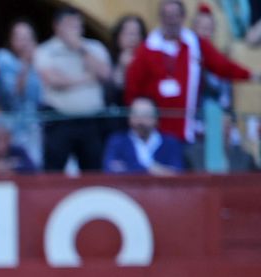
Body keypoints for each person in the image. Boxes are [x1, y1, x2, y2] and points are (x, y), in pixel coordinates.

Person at [125, 0, 257, 146]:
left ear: (182, 17)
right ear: (160, 18)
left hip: (187, 130)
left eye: (175, 15)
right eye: (166, 15)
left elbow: (222, 66)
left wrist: (250, 75)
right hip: (154, 134)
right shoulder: (146, 48)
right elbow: (132, 88)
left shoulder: (195, 43)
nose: (171, 20)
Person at [35, 5, 112, 172]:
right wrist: (87, 78)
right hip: (60, 120)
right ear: (57, 26)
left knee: (94, 172)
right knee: (53, 172)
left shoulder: (94, 47)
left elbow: (105, 74)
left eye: (78, 25)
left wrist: (81, 50)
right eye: (70, 25)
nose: (75, 30)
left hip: (91, 121)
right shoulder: (45, 51)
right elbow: (54, 81)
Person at [0, 19, 42, 164]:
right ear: (11, 39)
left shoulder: (40, 60)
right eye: (19, 37)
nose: (24, 42)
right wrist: (26, 63)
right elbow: (14, 94)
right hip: (13, 129)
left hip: (37, 128)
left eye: (28, 37)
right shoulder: (3, 58)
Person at [103, 96, 186, 175]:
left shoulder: (170, 142)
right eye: (136, 114)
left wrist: (129, 168)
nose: (140, 120)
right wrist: (153, 170)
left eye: (146, 115)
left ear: (156, 118)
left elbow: (177, 172)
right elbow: (110, 170)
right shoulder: (118, 141)